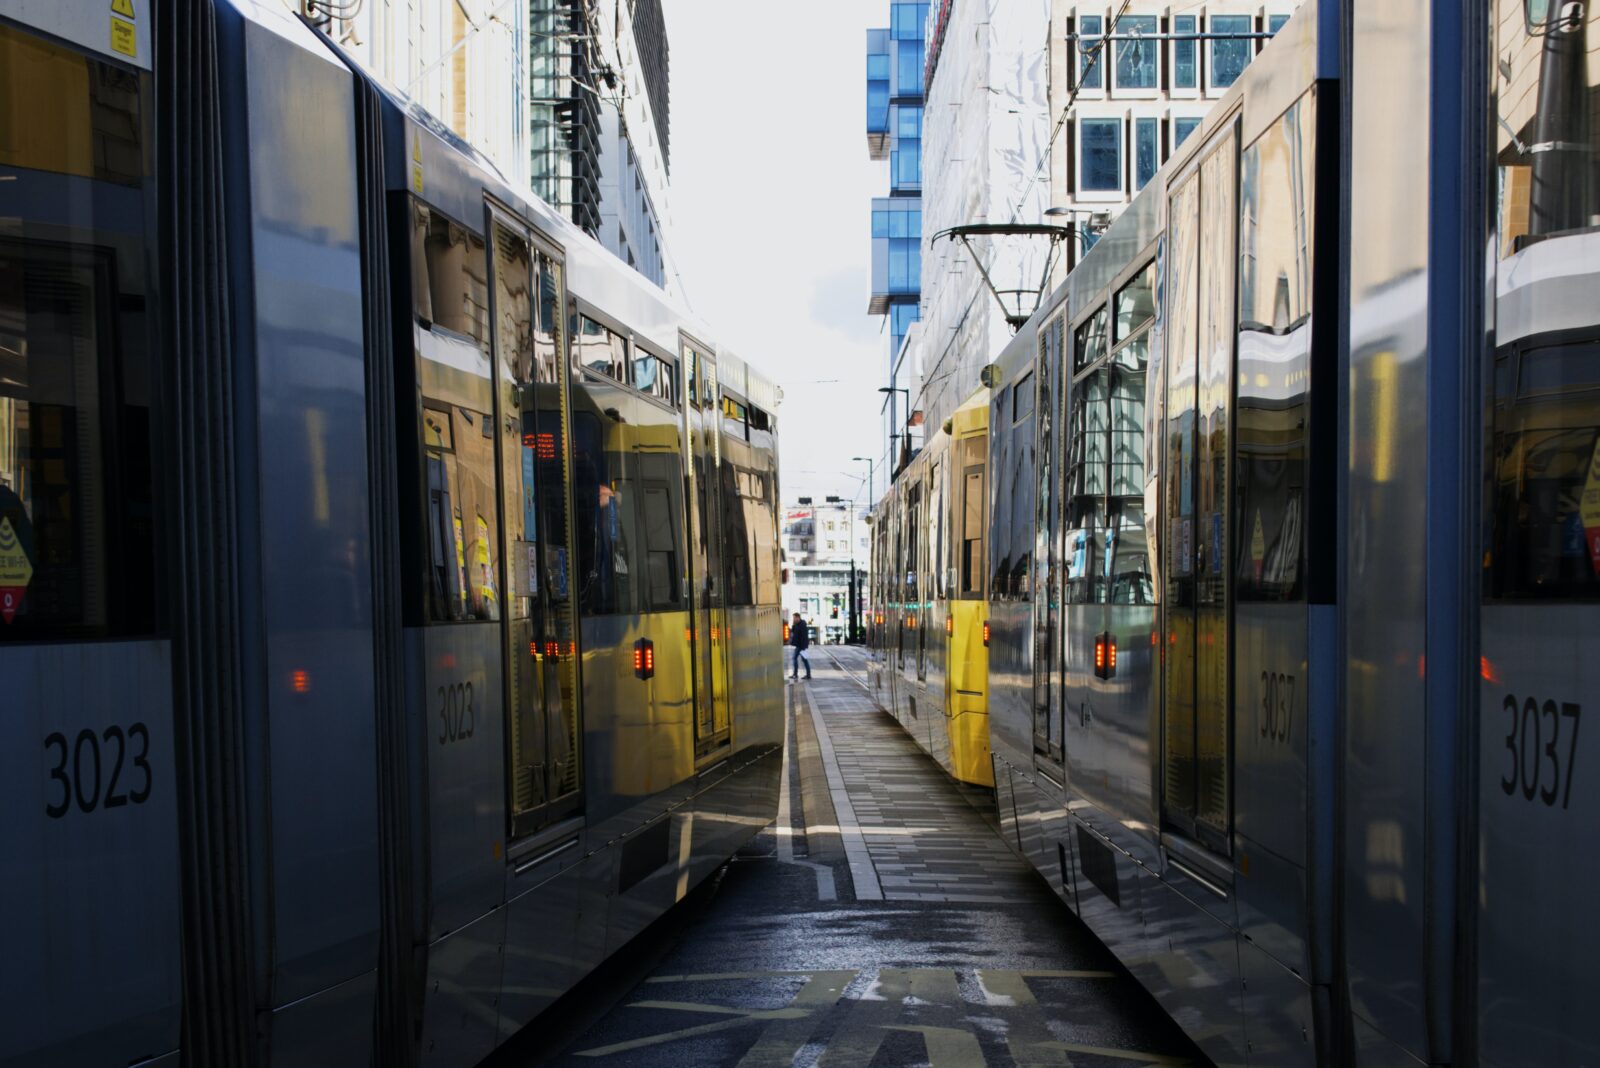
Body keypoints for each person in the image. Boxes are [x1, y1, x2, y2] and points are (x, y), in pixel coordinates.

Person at [789, 612, 811, 681]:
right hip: (799, 645)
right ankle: (807, 674)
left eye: (794, 618)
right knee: (803, 660)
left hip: (801, 646)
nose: (794, 619)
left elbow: (804, 637)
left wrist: (804, 647)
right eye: (793, 618)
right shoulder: (797, 625)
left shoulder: (802, 625)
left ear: (798, 617)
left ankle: (796, 674)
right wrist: (793, 624)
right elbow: (793, 632)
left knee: (799, 659)